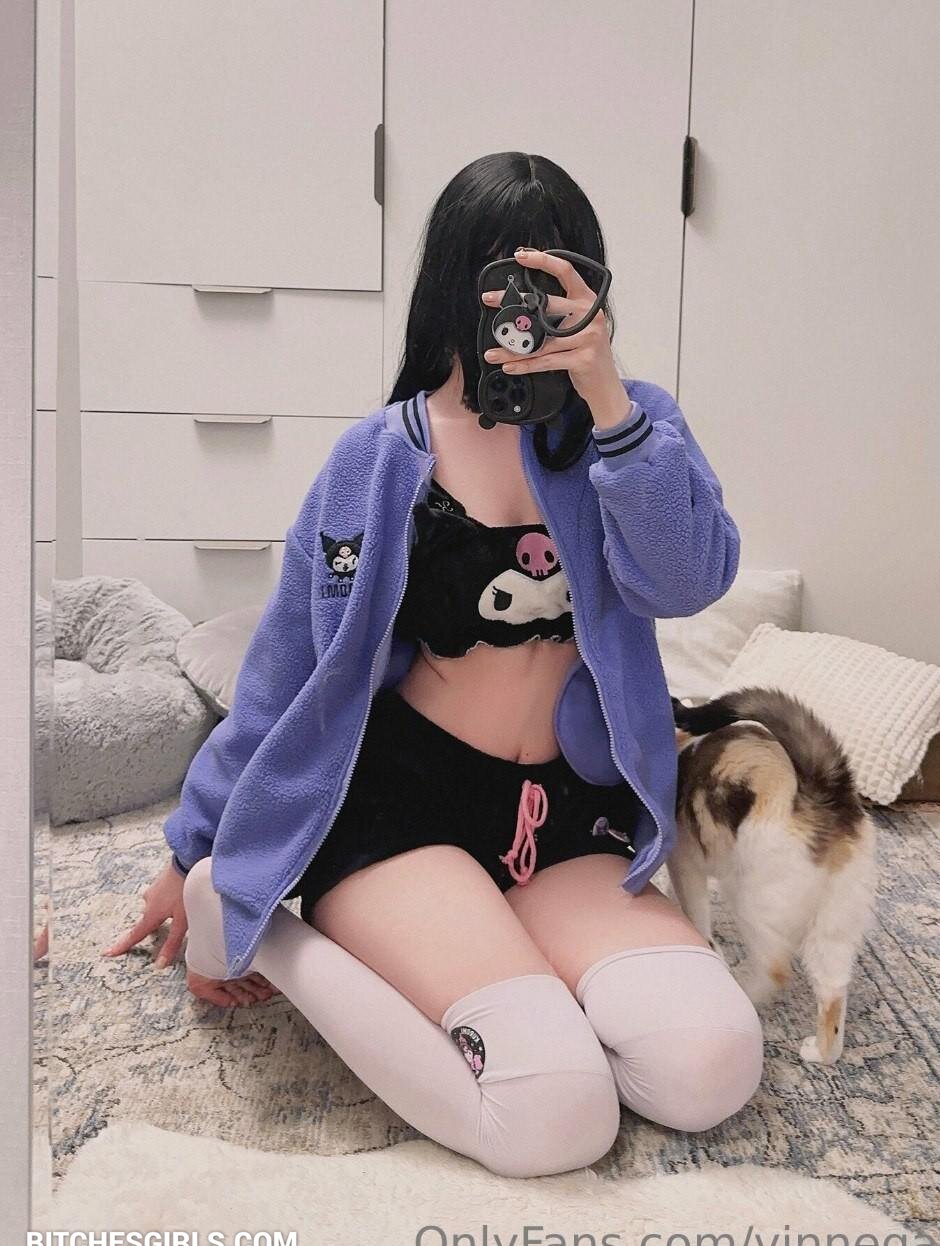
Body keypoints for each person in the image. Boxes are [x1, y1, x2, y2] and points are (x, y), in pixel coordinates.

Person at [105, 153, 763, 1179]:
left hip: (565, 811)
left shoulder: (631, 426)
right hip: (405, 807)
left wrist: (606, 399)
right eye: (499, 277)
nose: (521, 307)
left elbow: (685, 580)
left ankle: (509, 950)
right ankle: (274, 930)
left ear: (589, 288)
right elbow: (291, 667)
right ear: (454, 284)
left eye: (551, 279)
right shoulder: (377, 458)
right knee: (554, 1116)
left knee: (709, 1066)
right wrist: (196, 850)